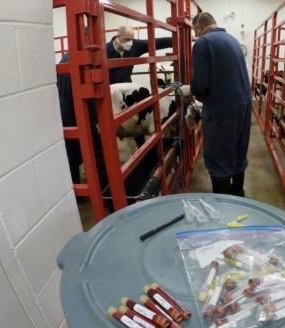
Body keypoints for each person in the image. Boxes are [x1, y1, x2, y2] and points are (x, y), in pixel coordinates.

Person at [57, 25, 172, 187]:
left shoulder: (134, 47)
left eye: (132, 40)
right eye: (127, 40)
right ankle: (100, 187)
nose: (130, 43)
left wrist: (177, 39)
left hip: (127, 97)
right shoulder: (101, 53)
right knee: (92, 146)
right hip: (106, 101)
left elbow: (155, 42)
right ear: (117, 37)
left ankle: (145, 156)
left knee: (137, 123)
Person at [190, 13, 252, 196]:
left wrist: (193, 92)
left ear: (198, 28)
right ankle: (238, 192)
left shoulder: (203, 43)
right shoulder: (232, 40)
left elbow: (199, 84)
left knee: (218, 153)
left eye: (196, 31)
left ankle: (223, 203)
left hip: (223, 107)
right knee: (238, 149)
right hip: (244, 103)